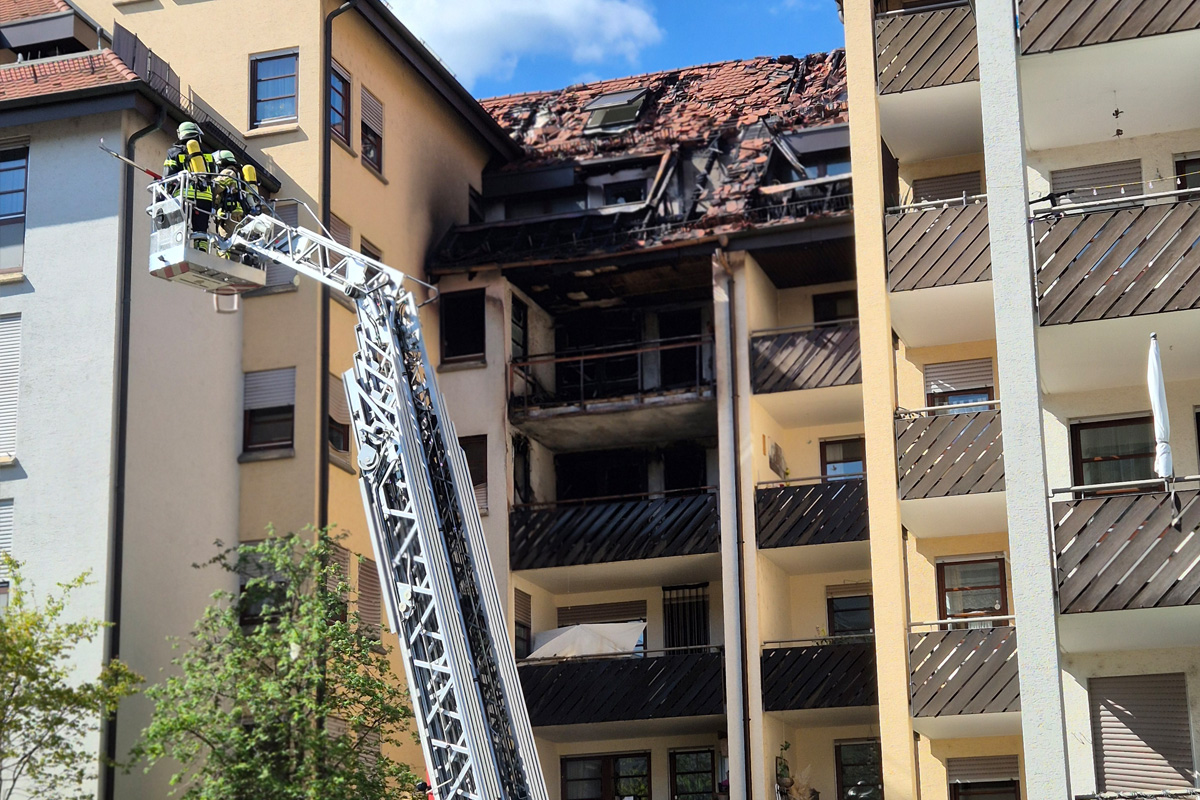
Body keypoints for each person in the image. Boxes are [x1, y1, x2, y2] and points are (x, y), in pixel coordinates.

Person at [163, 121, 215, 251]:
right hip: (205, 198)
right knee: (201, 231)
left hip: (183, 197)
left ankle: (178, 249)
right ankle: (201, 251)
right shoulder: (208, 154)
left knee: (179, 227)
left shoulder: (173, 153)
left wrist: (163, 191)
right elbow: (213, 175)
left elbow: (168, 176)